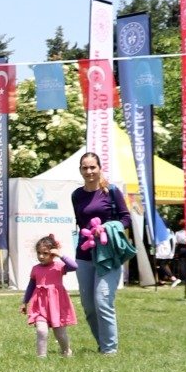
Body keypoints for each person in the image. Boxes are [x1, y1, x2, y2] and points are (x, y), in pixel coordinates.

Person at [70, 151, 129, 355]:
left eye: (92, 167)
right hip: (84, 254)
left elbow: (126, 218)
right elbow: (80, 222)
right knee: (89, 306)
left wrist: (108, 227)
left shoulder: (111, 192)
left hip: (108, 254)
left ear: (99, 168)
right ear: (80, 170)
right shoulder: (76, 195)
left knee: (102, 300)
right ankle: (102, 344)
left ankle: (110, 351)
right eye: (85, 168)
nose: (89, 171)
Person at [21, 234, 77, 359]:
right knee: (41, 330)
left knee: (60, 333)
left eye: (45, 253)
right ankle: (41, 357)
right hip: (40, 306)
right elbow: (31, 286)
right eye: (39, 253)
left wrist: (60, 255)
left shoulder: (59, 266)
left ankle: (66, 352)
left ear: (53, 254)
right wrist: (24, 302)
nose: (41, 256)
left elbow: (74, 266)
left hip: (57, 305)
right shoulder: (35, 269)